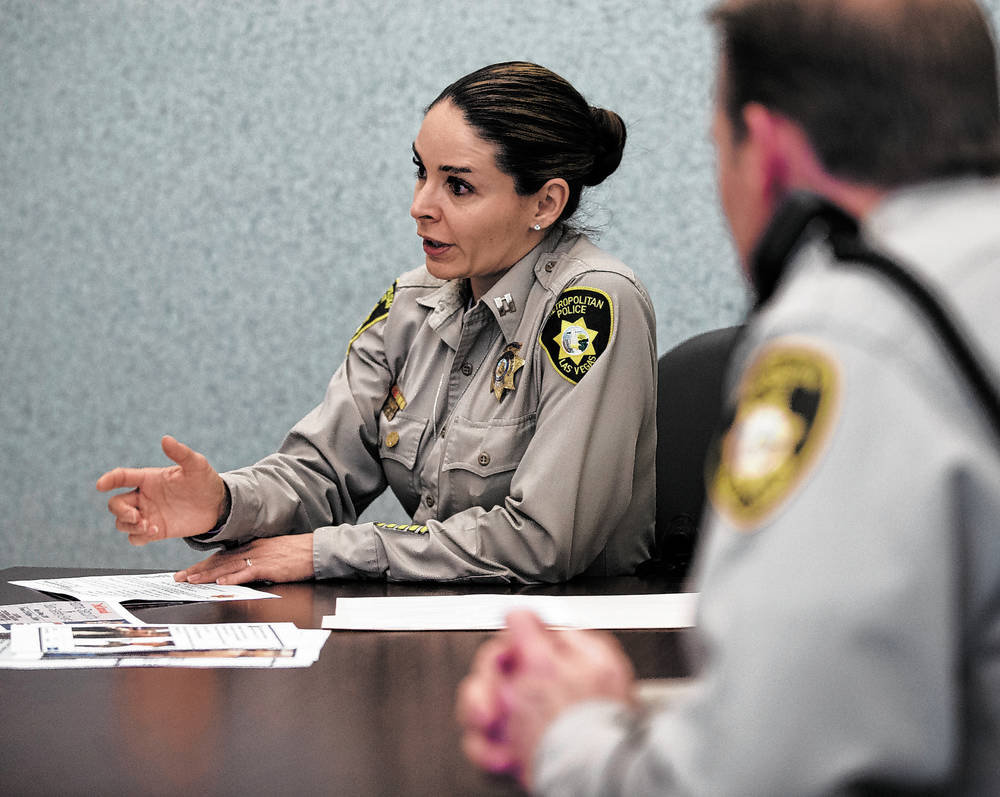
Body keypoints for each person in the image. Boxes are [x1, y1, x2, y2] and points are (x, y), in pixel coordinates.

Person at [456, 1, 1000, 794]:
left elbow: (765, 775)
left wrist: (566, 734)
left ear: (765, 151)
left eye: (717, 148)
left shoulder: (848, 334)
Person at [96, 61, 657, 586]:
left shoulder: (591, 306)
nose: (421, 205)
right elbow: (322, 474)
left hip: (577, 642)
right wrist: (221, 503)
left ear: (545, 203)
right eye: (422, 173)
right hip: (443, 626)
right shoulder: (413, 302)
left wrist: (333, 551)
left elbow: (544, 541)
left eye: (457, 185)